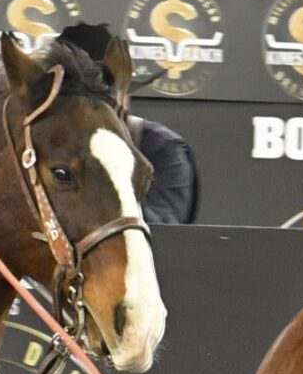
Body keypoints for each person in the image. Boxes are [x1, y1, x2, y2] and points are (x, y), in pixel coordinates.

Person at [54, 22, 197, 225]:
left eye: (102, 91)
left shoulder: (160, 148)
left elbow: (167, 230)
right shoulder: (42, 149)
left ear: (122, 92)